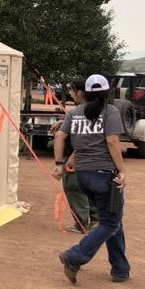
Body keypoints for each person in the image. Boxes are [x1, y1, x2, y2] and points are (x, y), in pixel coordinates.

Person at [52, 74, 130, 285]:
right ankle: (75, 256)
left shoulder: (75, 113)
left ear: (84, 93)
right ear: (107, 93)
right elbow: (112, 141)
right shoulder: (110, 112)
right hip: (104, 175)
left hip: (82, 175)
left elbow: (60, 136)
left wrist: (59, 164)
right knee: (110, 222)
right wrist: (122, 171)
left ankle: (120, 269)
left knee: (113, 219)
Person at [49, 79, 98, 233]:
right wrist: (64, 121)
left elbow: (86, 137)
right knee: (89, 188)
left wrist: (66, 160)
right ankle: (95, 219)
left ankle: (81, 223)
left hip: (77, 158)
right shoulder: (98, 110)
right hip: (94, 161)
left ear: (81, 92)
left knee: (73, 187)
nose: (71, 93)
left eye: (72, 90)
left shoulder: (79, 111)